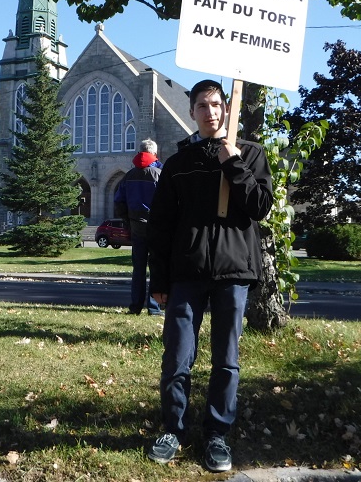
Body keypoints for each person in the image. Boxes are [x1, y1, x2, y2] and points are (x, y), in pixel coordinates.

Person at [145, 79, 273, 472]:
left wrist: (232, 161)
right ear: (192, 112)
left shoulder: (250, 154)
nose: (210, 112)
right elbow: (162, 225)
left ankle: (217, 434)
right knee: (177, 355)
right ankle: (173, 429)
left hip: (233, 272)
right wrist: (160, 280)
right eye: (202, 105)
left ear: (227, 108)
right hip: (187, 272)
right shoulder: (180, 162)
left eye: (216, 104)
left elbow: (259, 206)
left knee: (226, 359)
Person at [114, 138, 164, 316]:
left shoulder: (129, 175)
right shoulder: (160, 173)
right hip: (157, 228)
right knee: (156, 268)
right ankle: (154, 307)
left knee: (139, 269)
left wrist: (128, 221)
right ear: (155, 153)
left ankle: (135, 306)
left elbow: (119, 202)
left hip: (136, 228)